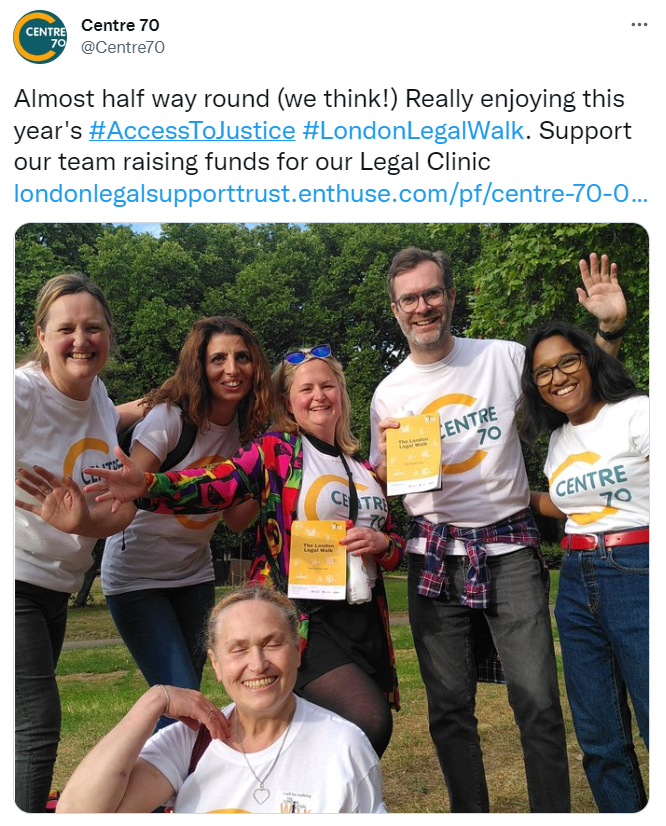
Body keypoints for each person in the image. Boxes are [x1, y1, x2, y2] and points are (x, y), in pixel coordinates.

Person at [18, 346, 405, 758]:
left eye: (328, 386)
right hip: (303, 617)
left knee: (337, 732)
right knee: (369, 721)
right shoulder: (277, 452)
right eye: (306, 388)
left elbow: (396, 545)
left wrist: (382, 546)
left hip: (363, 621)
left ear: (342, 394)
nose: (319, 396)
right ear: (288, 401)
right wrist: (149, 485)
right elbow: (216, 481)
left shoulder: (361, 467)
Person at [369, 247, 628, 813]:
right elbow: (384, 480)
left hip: (508, 547)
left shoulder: (505, 358)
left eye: (432, 293)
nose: (423, 306)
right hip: (434, 553)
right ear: (396, 310)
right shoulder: (388, 393)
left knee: (537, 701)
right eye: (409, 299)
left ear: (451, 296)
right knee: (449, 709)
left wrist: (606, 332)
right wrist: (385, 472)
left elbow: (579, 400)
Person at [56, 587, 388, 813]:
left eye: (272, 643)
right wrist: (153, 701)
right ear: (216, 664)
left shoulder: (344, 747)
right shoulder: (193, 743)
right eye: (238, 649)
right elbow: (76, 811)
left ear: (298, 652)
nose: (257, 664)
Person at [100, 317, 271, 714]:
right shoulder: (170, 419)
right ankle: (151, 774)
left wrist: (269, 482)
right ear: (199, 366)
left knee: (188, 696)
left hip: (194, 576)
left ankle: (177, 774)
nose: (232, 369)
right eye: (218, 359)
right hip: (136, 579)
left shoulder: (248, 433)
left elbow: (234, 519)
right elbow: (130, 493)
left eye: (242, 357)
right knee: (181, 699)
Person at [518, 321, 648, 813]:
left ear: (590, 360)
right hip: (574, 580)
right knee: (599, 736)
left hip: (638, 568)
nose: (558, 377)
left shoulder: (637, 412)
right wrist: (513, 497)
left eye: (568, 361)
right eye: (544, 371)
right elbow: (570, 503)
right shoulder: (558, 441)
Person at [14, 272, 129, 813]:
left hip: (54, 586)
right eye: (66, 329)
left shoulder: (101, 399)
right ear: (41, 336)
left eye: (93, 327)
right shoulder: (21, 393)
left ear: (109, 334)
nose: (80, 340)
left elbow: (112, 514)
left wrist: (81, 524)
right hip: (11, 578)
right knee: (36, 724)